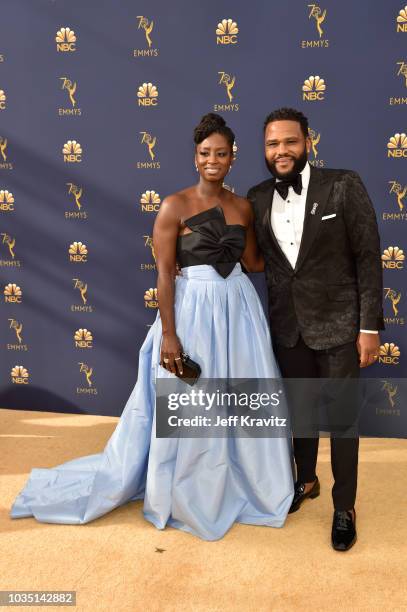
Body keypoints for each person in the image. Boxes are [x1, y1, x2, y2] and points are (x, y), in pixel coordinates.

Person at [10, 113, 294, 541]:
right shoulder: (174, 205)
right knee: (191, 403)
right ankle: (191, 491)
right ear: (195, 157)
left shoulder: (243, 207)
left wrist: (293, 239)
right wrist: (169, 333)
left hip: (238, 310)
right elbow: (164, 274)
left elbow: (252, 263)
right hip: (192, 309)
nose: (212, 160)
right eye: (205, 153)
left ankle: (246, 483)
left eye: (221, 153)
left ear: (233, 159)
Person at [247, 107, 384, 551]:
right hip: (289, 328)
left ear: (308, 142)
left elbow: (368, 256)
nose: (281, 151)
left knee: (343, 422)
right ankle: (306, 480)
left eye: (289, 141)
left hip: (341, 326)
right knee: (299, 416)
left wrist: (369, 328)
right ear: (264, 150)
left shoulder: (343, 185)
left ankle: (345, 507)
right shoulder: (256, 197)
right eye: (272, 144)